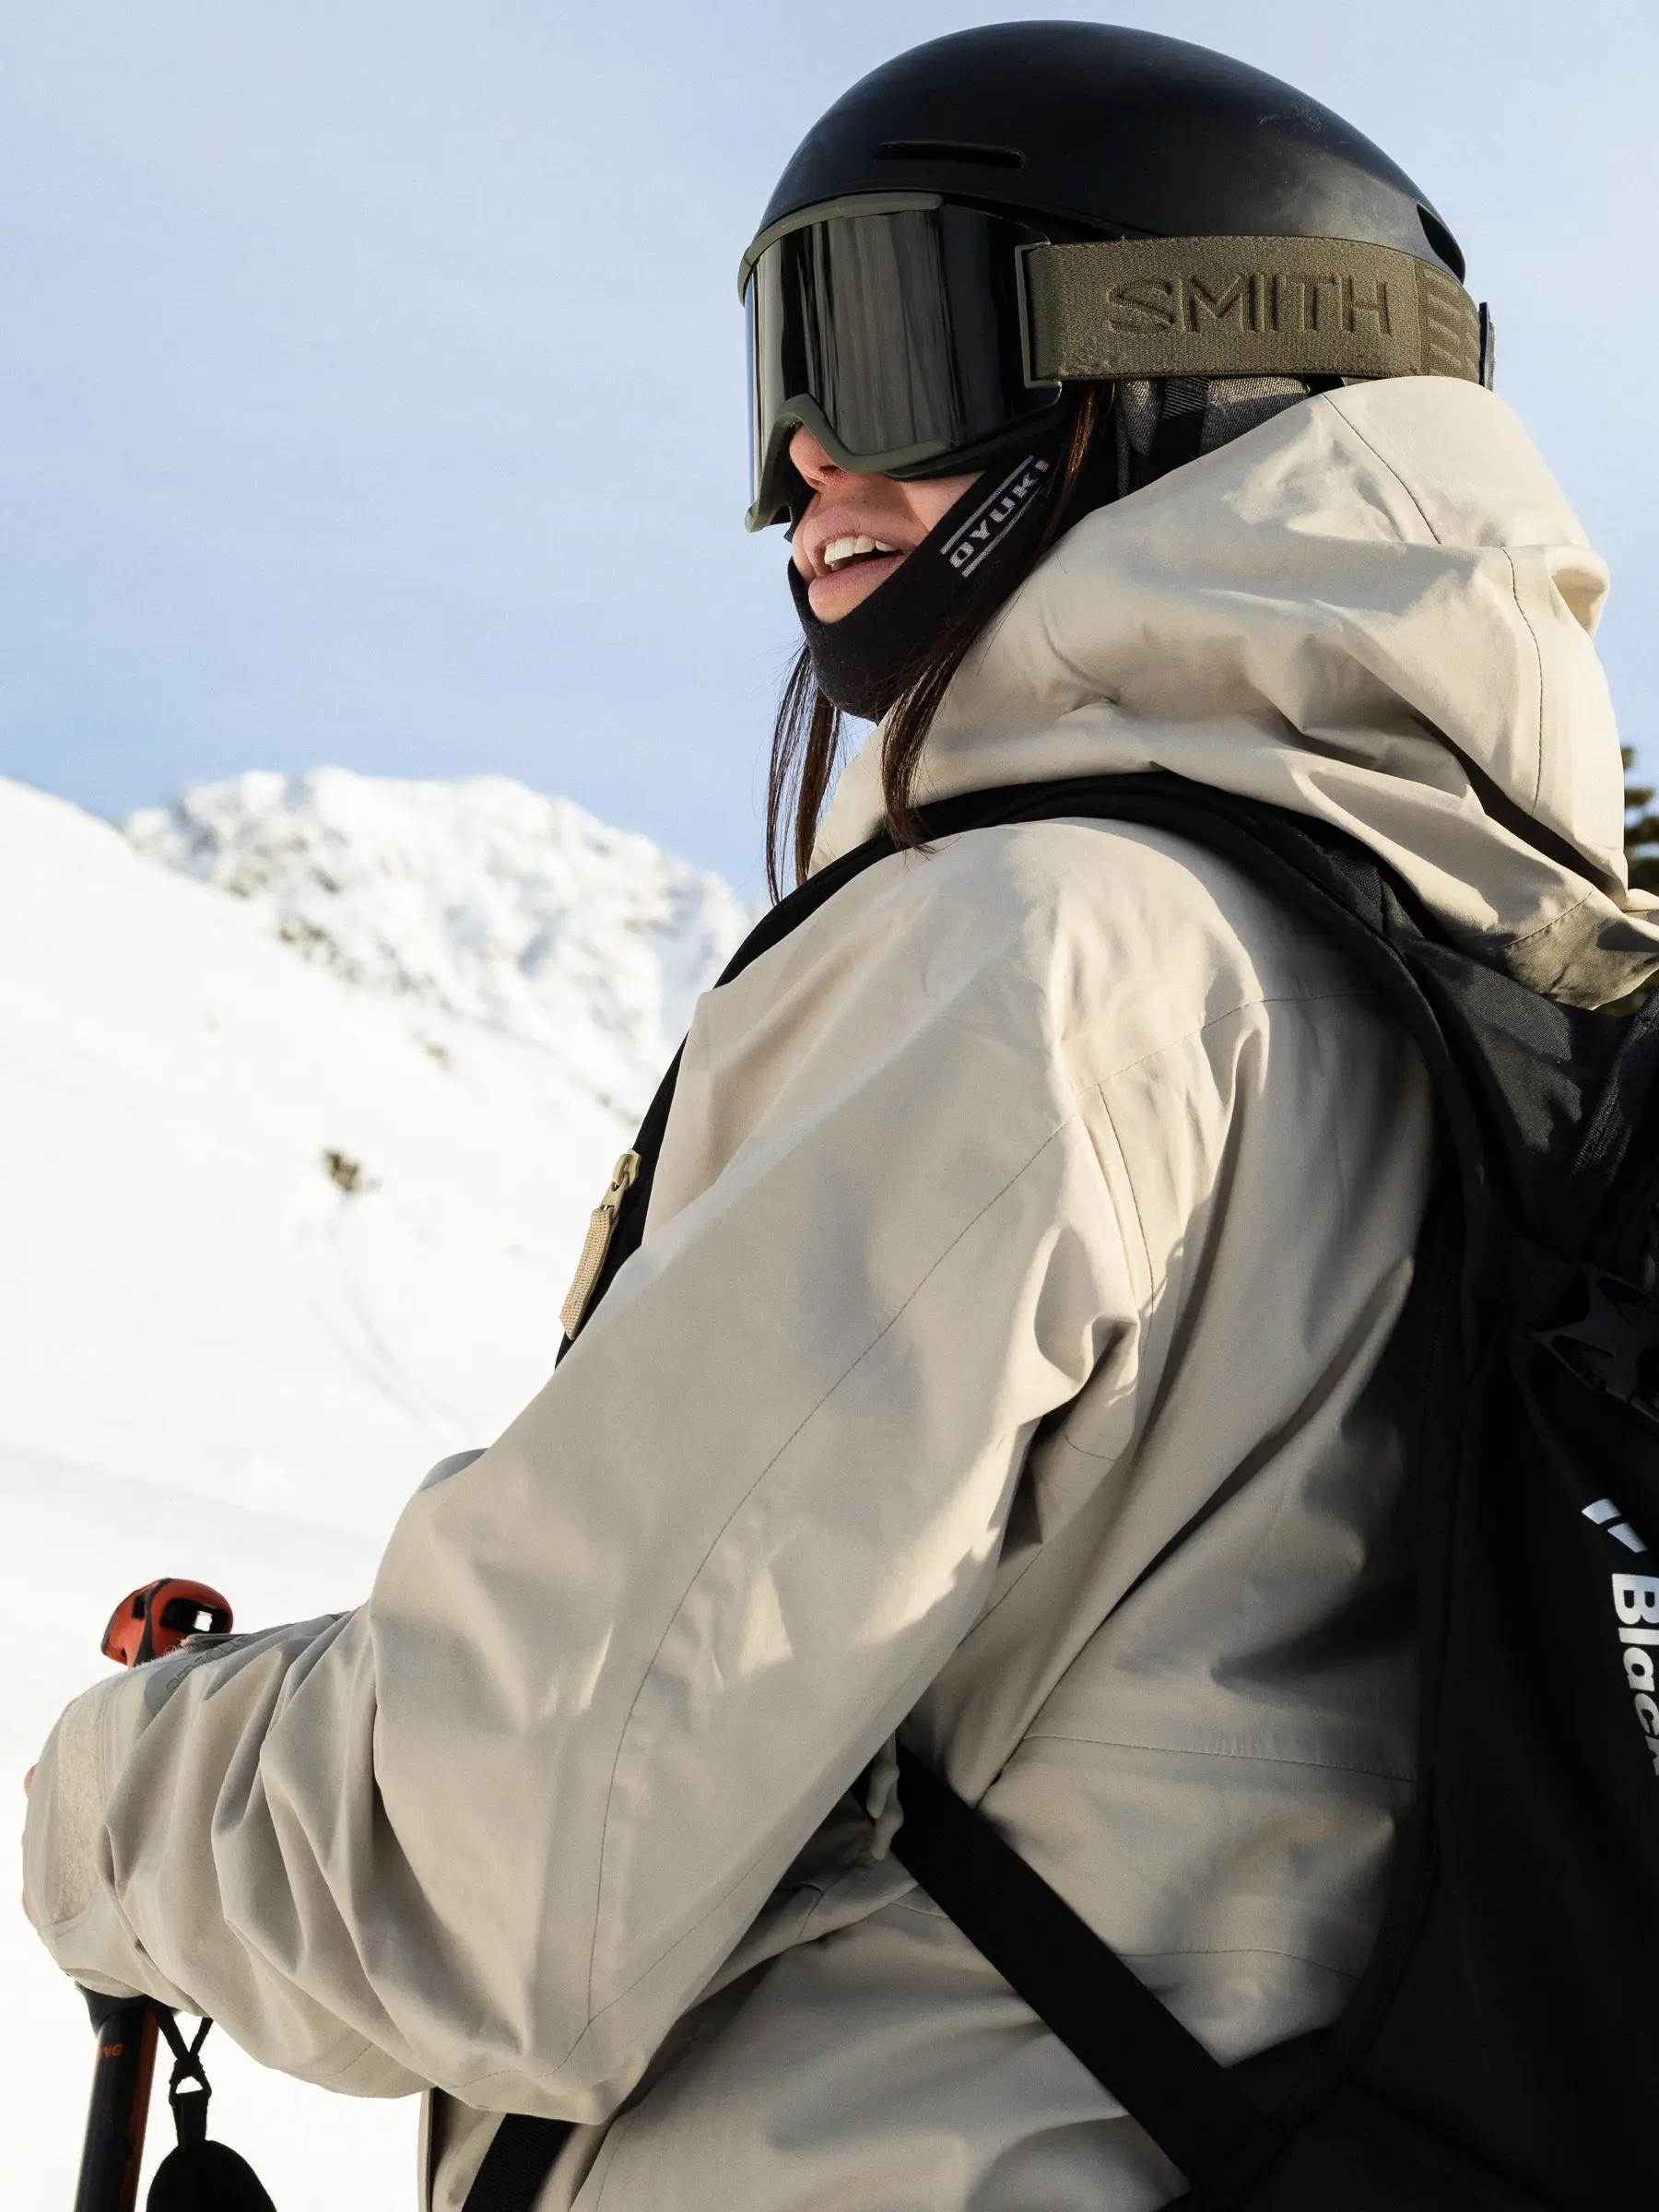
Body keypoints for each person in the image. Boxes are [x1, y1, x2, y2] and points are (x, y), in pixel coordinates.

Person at [24, 23, 1659, 2212]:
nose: (807, 454)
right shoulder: (1473, 1004)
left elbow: (506, 1850)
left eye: (890, 342)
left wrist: (123, 1798)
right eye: (776, 373)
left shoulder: (1053, 957)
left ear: (1183, 359)